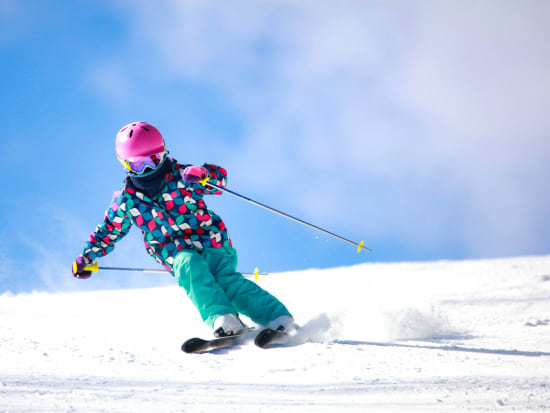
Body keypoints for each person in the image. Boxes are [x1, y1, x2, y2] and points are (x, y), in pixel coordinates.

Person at [72, 121, 295, 338]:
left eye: (154, 160)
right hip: (174, 252)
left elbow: (219, 180)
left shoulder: (182, 176)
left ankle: (277, 318)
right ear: (125, 165)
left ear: (164, 152)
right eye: (139, 165)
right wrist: (87, 256)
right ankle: (223, 318)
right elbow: (108, 230)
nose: (149, 169)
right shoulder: (126, 201)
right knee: (189, 265)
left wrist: (204, 176)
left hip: (211, 240)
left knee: (227, 281)